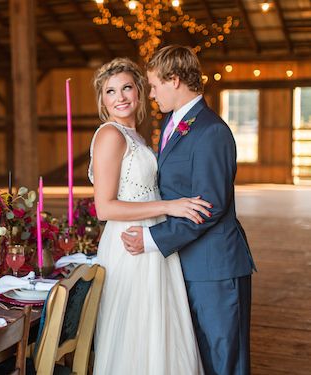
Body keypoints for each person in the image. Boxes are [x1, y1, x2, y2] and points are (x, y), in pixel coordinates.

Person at [122, 45, 256, 375]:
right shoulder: (174, 124)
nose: (150, 94)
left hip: (215, 268)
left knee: (224, 361)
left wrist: (152, 239)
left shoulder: (211, 131)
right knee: (197, 358)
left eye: (154, 85)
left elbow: (209, 206)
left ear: (175, 80)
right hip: (185, 263)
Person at [89, 57, 209, 374]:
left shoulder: (138, 136)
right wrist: (169, 206)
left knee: (159, 326)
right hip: (129, 243)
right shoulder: (110, 135)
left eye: (127, 87)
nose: (121, 97)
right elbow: (105, 207)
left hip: (153, 239)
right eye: (111, 92)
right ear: (102, 100)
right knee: (135, 329)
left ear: (140, 92)